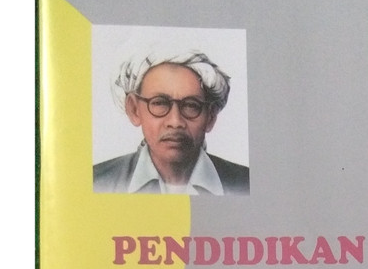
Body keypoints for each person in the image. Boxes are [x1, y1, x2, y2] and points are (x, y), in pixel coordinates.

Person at [93, 51, 250, 195]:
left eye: (191, 105)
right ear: (134, 110)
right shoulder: (96, 182)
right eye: (160, 103)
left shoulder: (246, 184)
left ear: (210, 117)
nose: (175, 122)